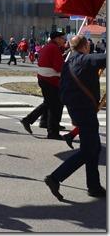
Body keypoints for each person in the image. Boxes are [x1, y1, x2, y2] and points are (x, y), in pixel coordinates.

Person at [44, 35, 106, 200]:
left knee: (94, 148)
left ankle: (94, 186)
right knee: (88, 151)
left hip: (77, 110)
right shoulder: (84, 60)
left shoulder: (68, 64)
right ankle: (55, 178)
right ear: (85, 46)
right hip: (85, 112)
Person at [21, 31, 67, 139]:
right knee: (54, 106)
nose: (64, 40)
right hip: (51, 80)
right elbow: (58, 67)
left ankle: (31, 121)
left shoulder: (49, 47)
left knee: (49, 104)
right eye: (62, 38)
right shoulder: (54, 48)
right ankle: (51, 132)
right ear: (56, 38)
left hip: (45, 79)